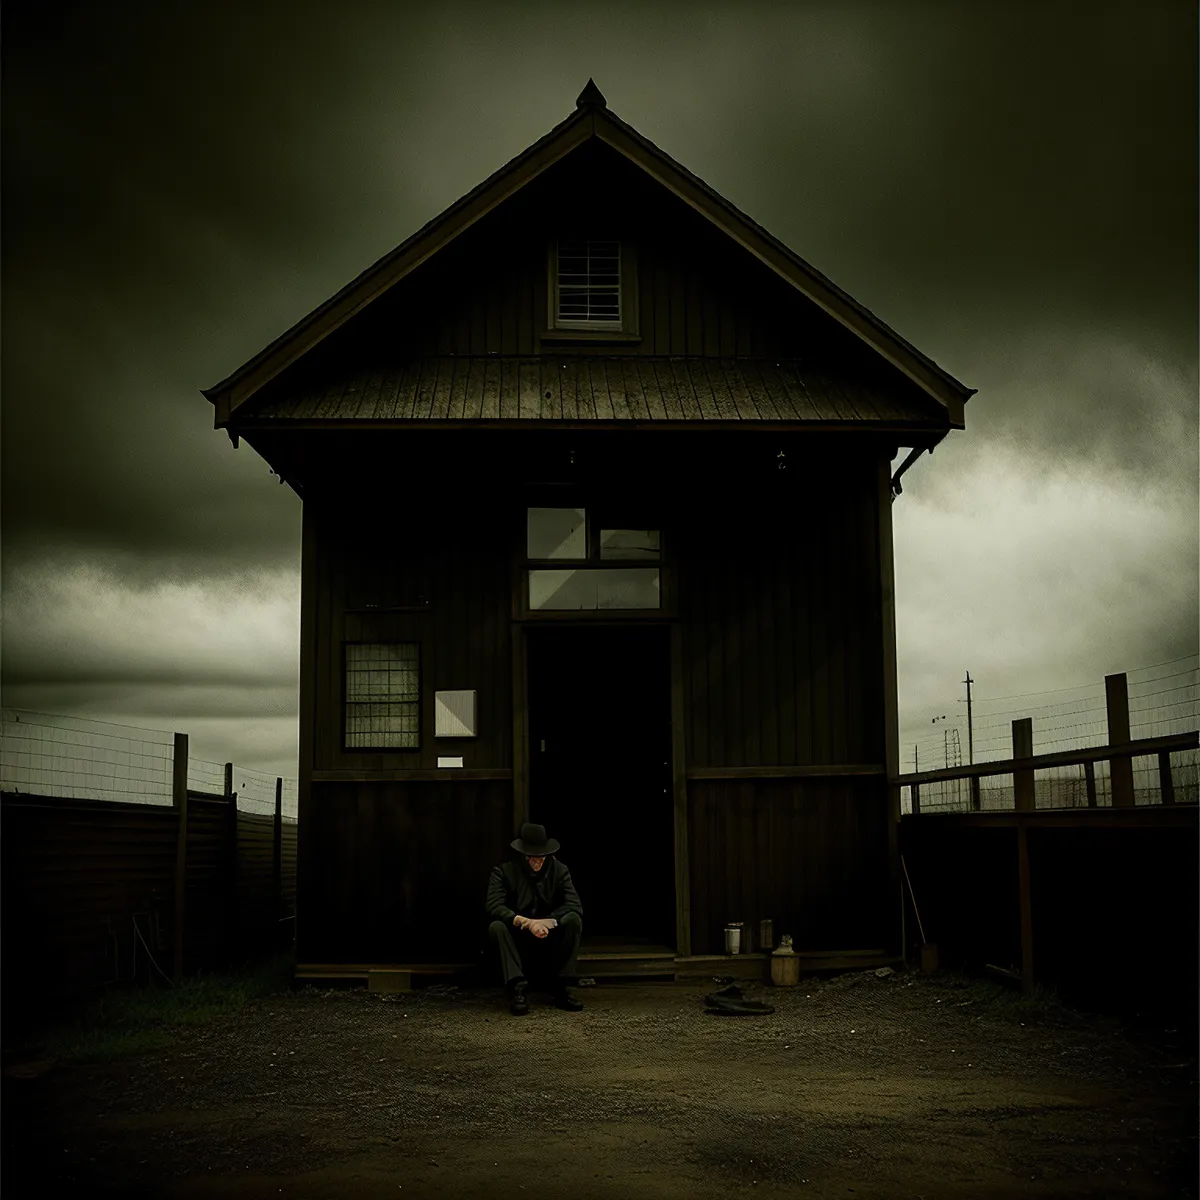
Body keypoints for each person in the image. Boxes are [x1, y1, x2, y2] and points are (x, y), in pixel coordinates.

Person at [485, 822, 584, 1015]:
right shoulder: (504, 871)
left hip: (548, 936)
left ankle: (562, 987)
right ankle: (517, 988)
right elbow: (494, 905)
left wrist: (549, 921)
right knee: (496, 926)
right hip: (518, 937)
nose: (537, 862)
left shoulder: (559, 870)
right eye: (531, 857)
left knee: (573, 920)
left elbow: (574, 904)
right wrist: (525, 922)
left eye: (541, 857)